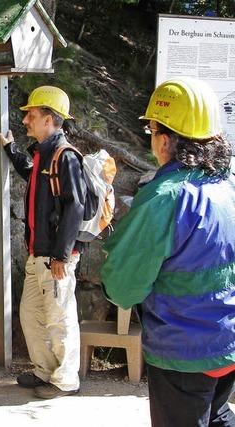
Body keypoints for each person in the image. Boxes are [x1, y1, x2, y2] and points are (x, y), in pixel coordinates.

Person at [100, 77, 235, 426]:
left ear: (165, 139)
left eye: (153, 131)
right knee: (218, 414)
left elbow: (123, 287)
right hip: (228, 340)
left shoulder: (167, 196)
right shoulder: (228, 182)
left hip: (184, 351)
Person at [0, 85, 86, 399]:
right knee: (31, 314)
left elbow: (75, 205)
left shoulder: (66, 157)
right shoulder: (45, 156)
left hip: (55, 257)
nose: (25, 121)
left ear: (49, 119)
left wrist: (62, 254)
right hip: (40, 255)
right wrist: (11, 149)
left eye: (31, 115)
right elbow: (31, 175)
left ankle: (65, 380)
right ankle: (45, 371)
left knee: (59, 319)